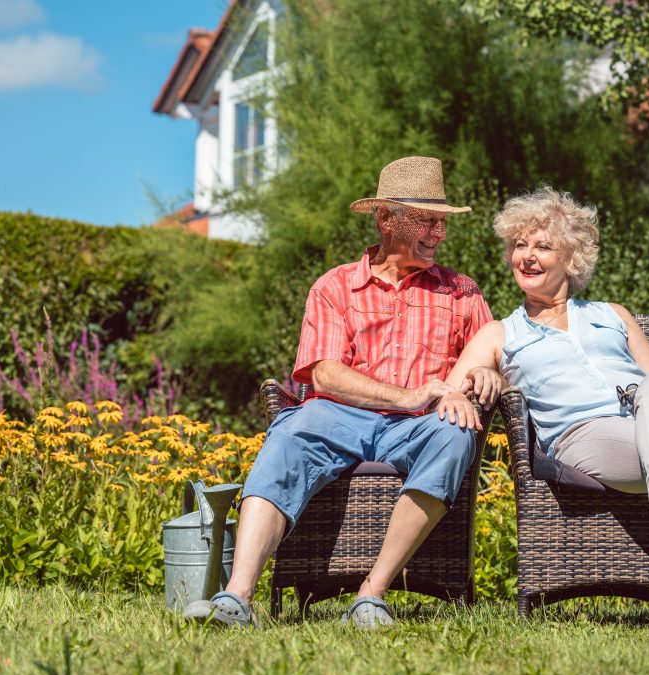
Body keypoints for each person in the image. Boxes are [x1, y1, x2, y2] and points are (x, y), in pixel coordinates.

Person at [185, 156, 503, 629]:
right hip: (339, 416)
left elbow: (491, 351)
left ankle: (371, 595)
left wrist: (487, 376)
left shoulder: (461, 292)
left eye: (442, 223)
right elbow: (325, 375)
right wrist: (405, 396)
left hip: (420, 427)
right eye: (428, 221)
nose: (439, 233)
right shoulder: (336, 286)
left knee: (454, 437)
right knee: (289, 436)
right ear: (386, 218)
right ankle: (237, 597)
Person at [435, 187, 649, 649]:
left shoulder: (613, 316)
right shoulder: (501, 333)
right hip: (583, 439)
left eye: (542, 246)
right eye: (519, 245)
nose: (527, 256)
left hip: (648, 426)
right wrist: (484, 374)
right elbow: (449, 392)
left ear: (572, 259)